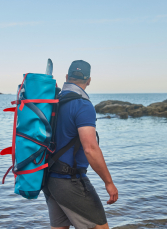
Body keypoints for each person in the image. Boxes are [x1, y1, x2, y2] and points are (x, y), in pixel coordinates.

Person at [43, 60, 118, 229]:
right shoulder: (83, 105)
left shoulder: (53, 102)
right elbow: (90, 149)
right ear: (89, 80)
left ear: (67, 77)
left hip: (49, 179)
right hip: (70, 180)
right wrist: (108, 182)